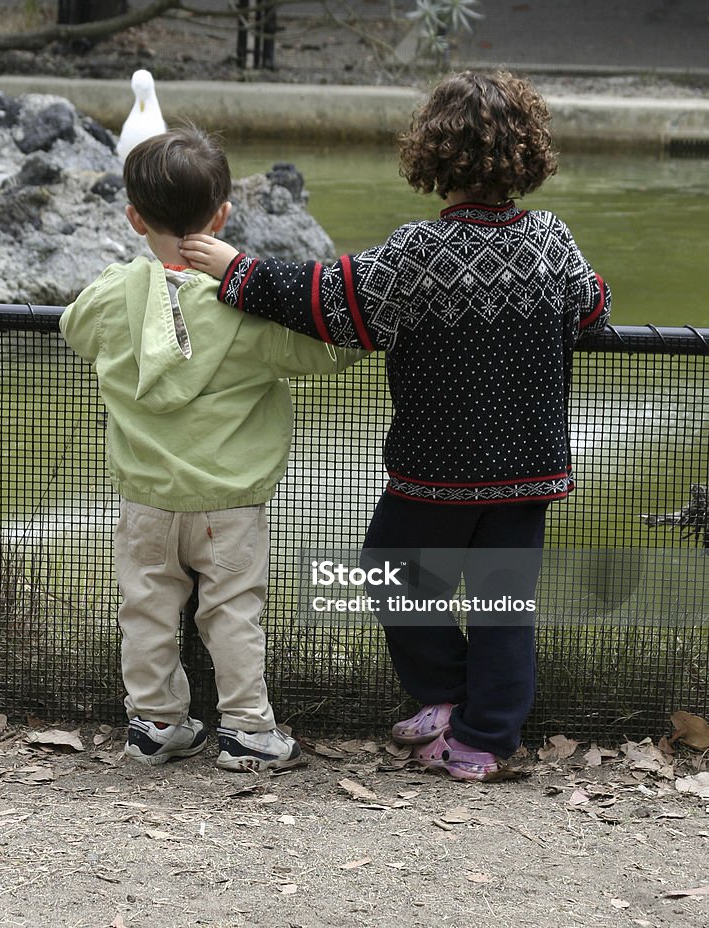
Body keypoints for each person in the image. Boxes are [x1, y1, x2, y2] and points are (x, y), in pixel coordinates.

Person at [179, 70, 611, 781]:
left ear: (430, 155)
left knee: (390, 568)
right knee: (505, 603)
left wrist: (237, 271)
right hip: (529, 471)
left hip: (436, 470)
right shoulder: (552, 242)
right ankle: (485, 740)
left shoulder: (418, 252)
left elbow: (325, 300)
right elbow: (593, 308)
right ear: (529, 154)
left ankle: (447, 695)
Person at [60, 125, 364, 771]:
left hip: (146, 497)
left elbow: (75, 328)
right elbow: (332, 352)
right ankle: (248, 731)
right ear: (223, 215)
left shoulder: (113, 295)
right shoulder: (243, 311)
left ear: (133, 216)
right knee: (231, 616)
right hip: (230, 502)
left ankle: (155, 724)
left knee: (145, 614)